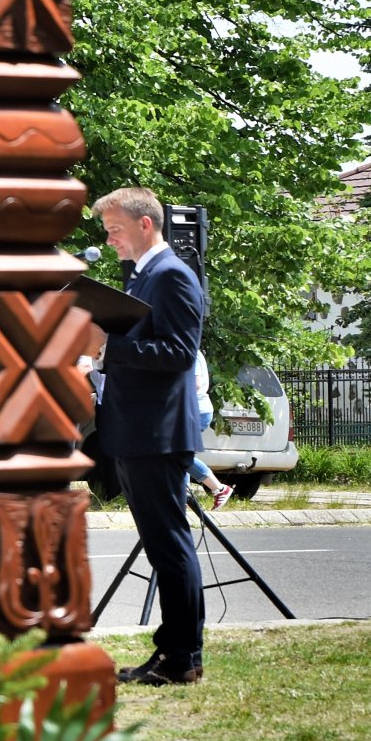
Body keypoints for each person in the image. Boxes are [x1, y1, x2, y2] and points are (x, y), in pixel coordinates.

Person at [91, 186, 207, 686]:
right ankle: (173, 652)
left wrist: (108, 346)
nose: (110, 241)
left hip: (158, 433)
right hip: (138, 430)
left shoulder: (172, 276)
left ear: (145, 224)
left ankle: (182, 657)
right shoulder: (142, 278)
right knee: (163, 546)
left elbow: (180, 354)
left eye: (115, 231)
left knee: (170, 545)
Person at [188, 352, 233, 508]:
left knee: (178, 455)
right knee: (181, 455)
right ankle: (183, 498)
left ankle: (219, 488)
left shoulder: (190, 350)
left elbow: (195, 384)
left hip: (195, 411)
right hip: (193, 411)